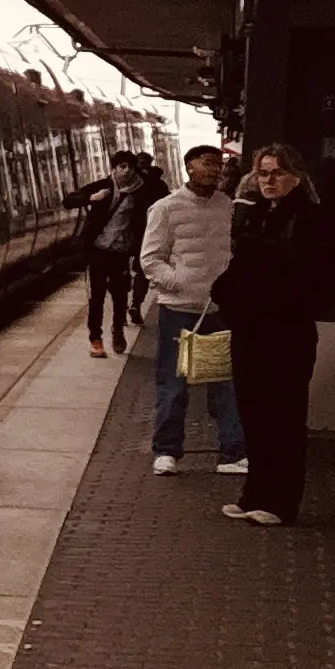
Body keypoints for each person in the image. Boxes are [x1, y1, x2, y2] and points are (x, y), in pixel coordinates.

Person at [214, 143, 329, 525]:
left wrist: (257, 252)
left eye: (277, 173)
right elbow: (242, 268)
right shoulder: (258, 215)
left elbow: (307, 275)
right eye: (263, 173)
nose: (268, 180)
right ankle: (255, 494)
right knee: (253, 412)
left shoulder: (310, 219)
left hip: (287, 331)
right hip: (252, 329)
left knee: (283, 416)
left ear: (296, 177)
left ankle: (281, 501)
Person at [137, 141, 244, 475]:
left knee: (226, 382)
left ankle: (232, 453)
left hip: (220, 309)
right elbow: (150, 259)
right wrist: (180, 282)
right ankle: (166, 451)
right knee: (173, 383)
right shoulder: (165, 208)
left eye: (218, 164)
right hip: (179, 310)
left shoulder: (227, 206)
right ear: (189, 167)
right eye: (207, 163)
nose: (214, 170)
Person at [74, 150, 155, 357]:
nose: (126, 171)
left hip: (121, 253)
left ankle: (117, 330)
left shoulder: (143, 191)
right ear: (114, 168)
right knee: (96, 298)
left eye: (130, 167)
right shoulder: (104, 186)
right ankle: (96, 339)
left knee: (120, 297)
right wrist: (92, 198)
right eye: (122, 167)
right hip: (98, 252)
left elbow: (161, 201)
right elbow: (69, 200)